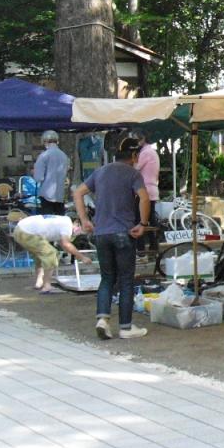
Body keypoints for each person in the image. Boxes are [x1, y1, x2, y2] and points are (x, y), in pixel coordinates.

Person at [75, 138, 151, 340]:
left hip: (101, 234)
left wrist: (84, 220)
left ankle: (102, 319)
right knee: (126, 280)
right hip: (124, 233)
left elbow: (78, 193)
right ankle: (125, 327)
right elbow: (144, 197)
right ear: (133, 155)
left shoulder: (100, 172)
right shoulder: (133, 174)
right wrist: (143, 223)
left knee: (107, 278)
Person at [14, 213, 89, 293]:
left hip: (21, 229)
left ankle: (39, 282)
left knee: (41, 255)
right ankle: (47, 286)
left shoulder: (63, 221)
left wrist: (74, 253)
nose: (79, 232)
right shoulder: (67, 225)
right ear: (76, 222)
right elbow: (66, 244)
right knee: (51, 255)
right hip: (26, 232)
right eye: (80, 229)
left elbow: (63, 245)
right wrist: (82, 257)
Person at [133, 131, 161, 255]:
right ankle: (153, 247)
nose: (135, 143)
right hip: (152, 189)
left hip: (144, 190)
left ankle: (140, 249)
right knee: (150, 219)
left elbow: (135, 168)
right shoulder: (152, 152)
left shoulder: (145, 153)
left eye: (136, 140)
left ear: (142, 139)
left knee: (139, 219)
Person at [32, 131, 71, 216]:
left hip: (46, 194)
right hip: (60, 195)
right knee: (59, 219)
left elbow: (39, 178)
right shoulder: (64, 156)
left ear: (45, 141)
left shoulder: (44, 156)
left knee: (47, 220)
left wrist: (34, 172)